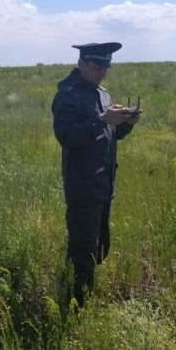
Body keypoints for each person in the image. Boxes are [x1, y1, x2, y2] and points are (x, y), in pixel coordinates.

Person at [51, 42, 140, 306]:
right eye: (97, 67)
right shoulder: (67, 95)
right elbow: (67, 136)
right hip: (83, 185)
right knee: (83, 248)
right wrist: (101, 119)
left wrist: (125, 123)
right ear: (82, 63)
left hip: (103, 183)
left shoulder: (102, 94)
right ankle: (76, 305)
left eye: (106, 67)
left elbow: (109, 134)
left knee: (99, 245)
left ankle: (85, 291)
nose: (102, 72)